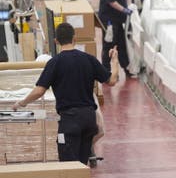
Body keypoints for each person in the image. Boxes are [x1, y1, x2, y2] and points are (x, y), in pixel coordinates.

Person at [11, 23, 119, 165]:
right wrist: (114, 60)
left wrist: (21, 103)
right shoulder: (89, 59)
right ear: (74, 38)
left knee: (68, 166)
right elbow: (111, 80)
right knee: (82, 164)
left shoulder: (54, 63)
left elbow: (39, 90)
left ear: (56, 41)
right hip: (89, 120)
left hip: (70, 121)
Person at [99, 0, 132, 74]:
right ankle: (105, 71)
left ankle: (127, 68)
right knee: (109, 45)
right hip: (110, 21)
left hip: (116, 21)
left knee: (121, 44)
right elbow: (111, 1)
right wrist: (124, 10)